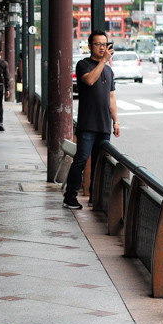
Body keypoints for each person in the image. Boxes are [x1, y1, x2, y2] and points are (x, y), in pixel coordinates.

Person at [63, 30, 120, 210]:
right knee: (80, 160)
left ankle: (95, 198)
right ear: (90, 46)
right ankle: (70, 196)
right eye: (98, 44)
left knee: (100, 164)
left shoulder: (109, 71)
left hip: (104, 124)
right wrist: (103, 61)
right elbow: (89, 81)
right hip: (88, 124)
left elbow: (111, 97)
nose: (102, 48)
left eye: (105, 44)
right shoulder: (83, 65)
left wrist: (116, 121)